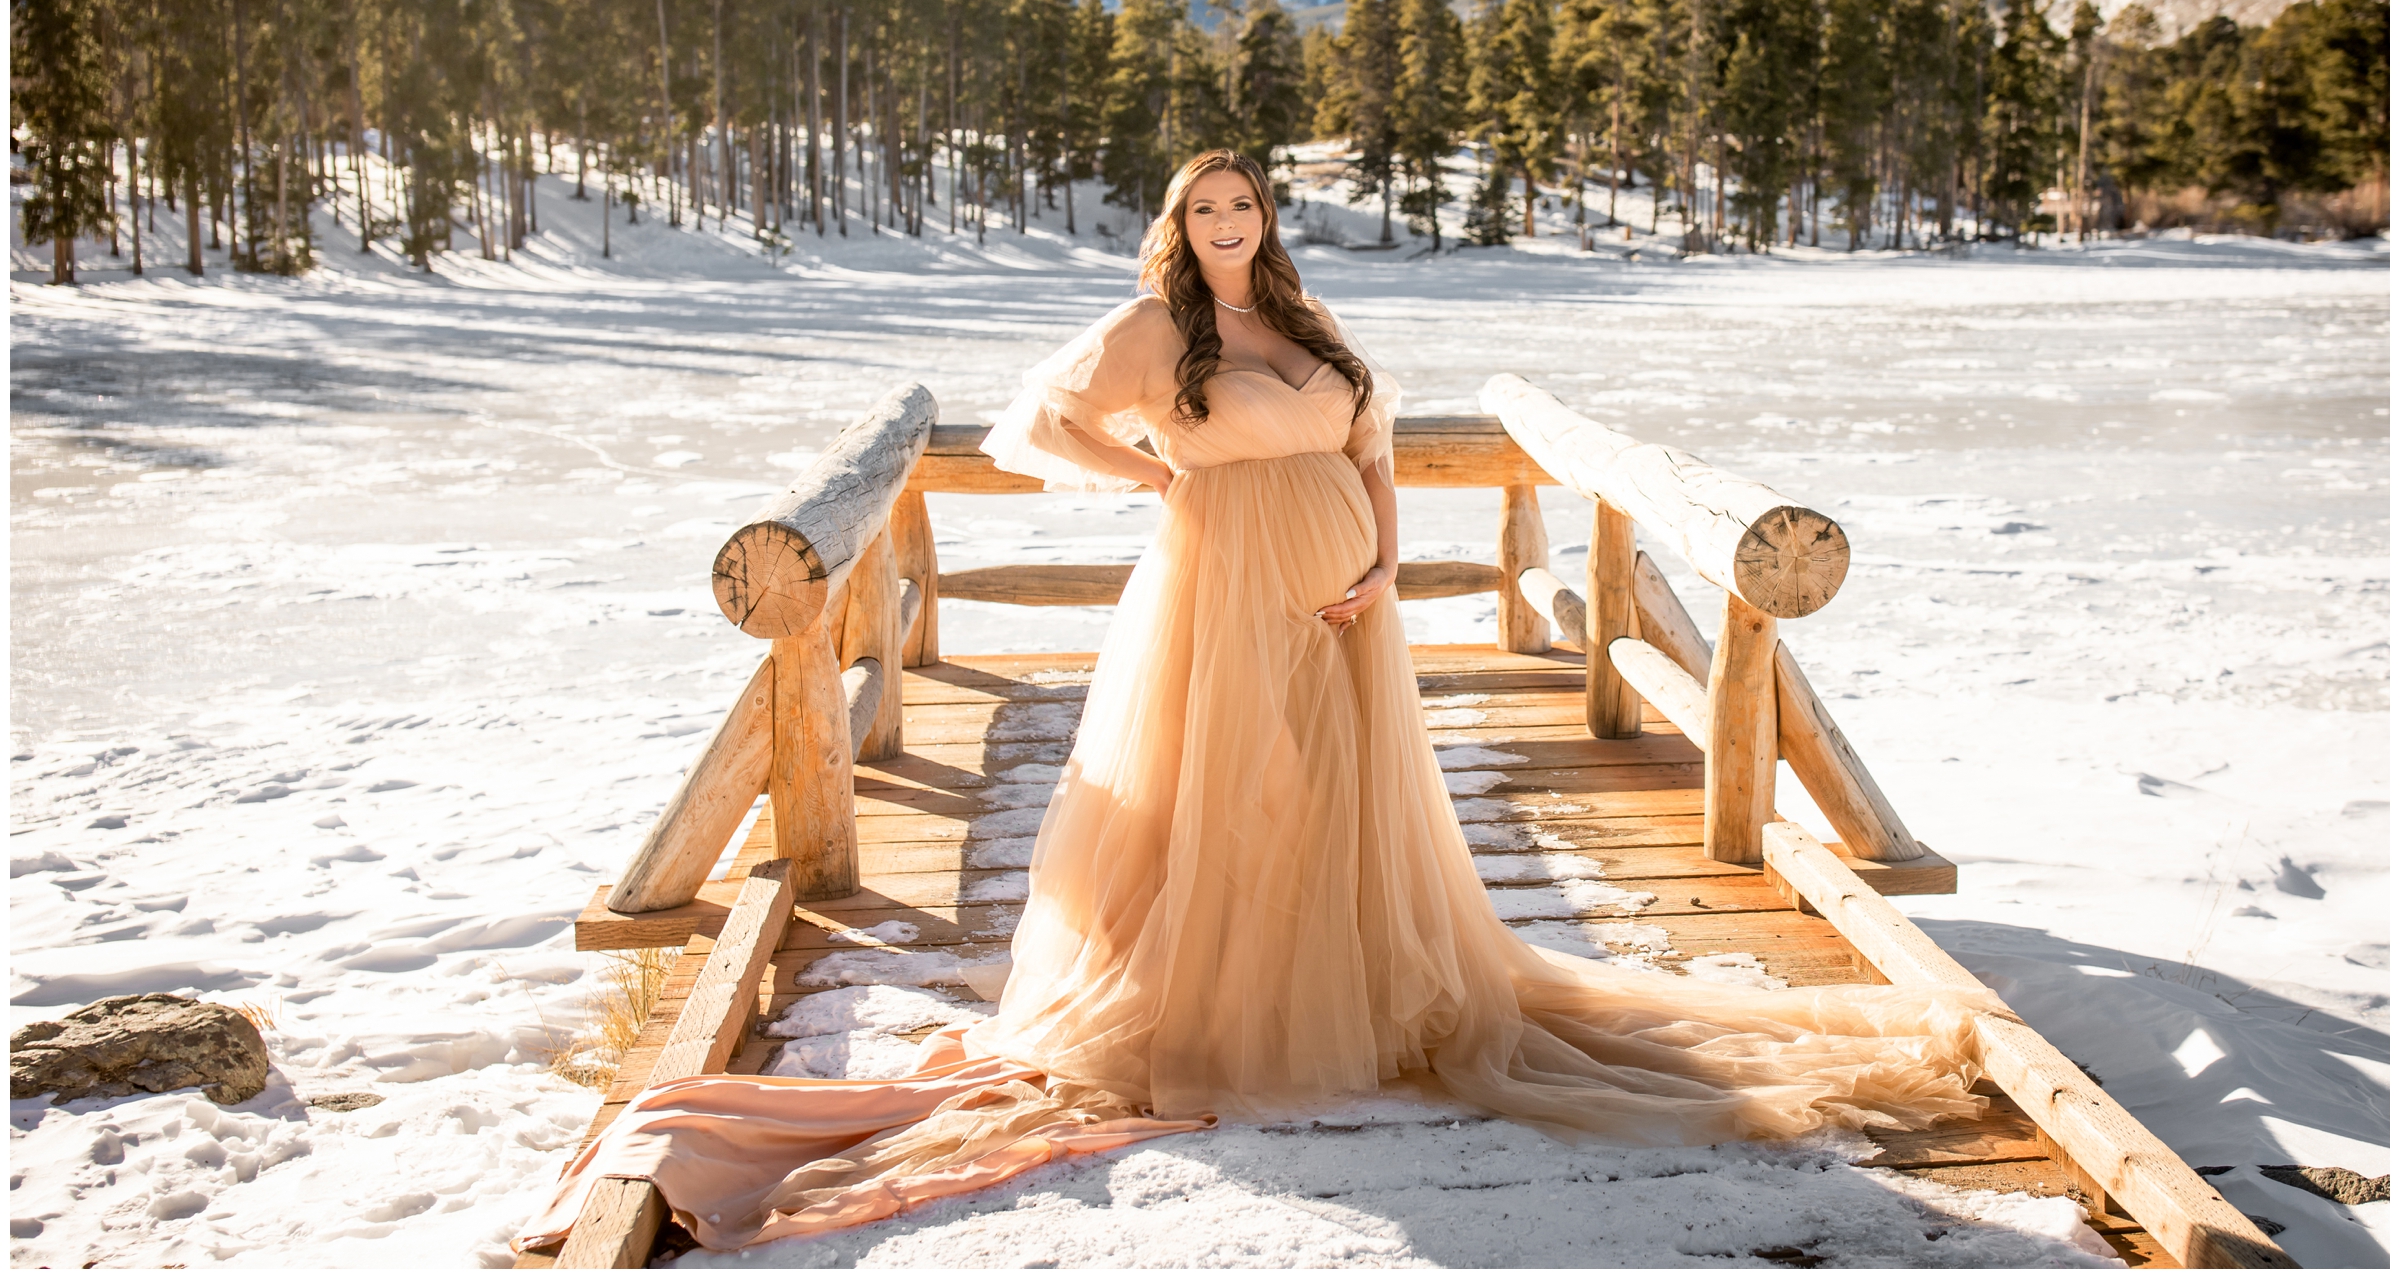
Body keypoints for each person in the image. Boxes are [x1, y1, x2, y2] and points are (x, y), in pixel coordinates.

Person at [518, 149, 1997, 1258]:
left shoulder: (1305, 309)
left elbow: (1369, 446)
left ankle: (1345, 967)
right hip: (1222, 579)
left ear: (1268, 221)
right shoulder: (1159, 326)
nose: (1230, 231)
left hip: (1343, 590)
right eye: (1209, 214)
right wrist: (1160, 475)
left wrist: (1386, 563)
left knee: (1341, 782)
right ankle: (1239, 997)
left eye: (1247, 210)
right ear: (1181, 226)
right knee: (1236, 776)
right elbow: (1042, 418)